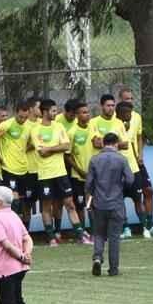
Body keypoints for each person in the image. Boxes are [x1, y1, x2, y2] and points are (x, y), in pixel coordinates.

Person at [29, 98, 77, 247]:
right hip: (45, 174)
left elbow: (67, 145)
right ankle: (50, 237)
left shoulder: (59, 127)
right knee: (46, 206)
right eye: (53, 111)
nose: (56, 113)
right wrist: (57, 147)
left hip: (60, 172)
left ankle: (80, 234)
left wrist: (50, 148)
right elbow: (41, 153)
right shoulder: (35, 130)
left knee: (70, 203)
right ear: (45, 112)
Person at [85, 132, 134, 276]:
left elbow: (88, 184)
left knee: (99, 233)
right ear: (116, 143)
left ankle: (98, 258)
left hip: (99, 203)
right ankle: (113, 268)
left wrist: (90, 200)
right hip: (116, 203)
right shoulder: (121, 159)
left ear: (103, 143)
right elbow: (130, 180)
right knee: (114, 237)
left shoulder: (94, 160)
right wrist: (121, 187)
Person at [114, 99, 153, 238]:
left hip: (133, 167)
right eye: (127, 112)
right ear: (119, 113)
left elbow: (135, 141)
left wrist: (138, 157)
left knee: (138, 198)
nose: (130, 115)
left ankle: (145, 227)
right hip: (117, 168)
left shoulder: (133, 122)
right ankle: (125, 228)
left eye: (131, 112)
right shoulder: (113, 125)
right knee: (119, 200)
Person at [0, 100, 36, 222]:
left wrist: (21, 150)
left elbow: (33, 143)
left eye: (25, 117)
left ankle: (24, 233)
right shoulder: (7, 125)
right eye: (20, 117)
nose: (22, 119)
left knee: (24, 202)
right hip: (8, 168)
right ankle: (12, 229)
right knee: (14, 201)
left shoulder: (29, 126)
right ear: (15, 113)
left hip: (23, 168)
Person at [62, 100, 95, 244]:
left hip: (93, 175)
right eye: (83, 112)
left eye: (88, 112)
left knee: (93, 205)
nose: (87, 115)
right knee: (80, 206)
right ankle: (82, 233)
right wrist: (80, 170)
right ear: (76, 115)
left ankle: (95, 232)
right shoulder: (72, 132)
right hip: (78, 176)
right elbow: (67, 155)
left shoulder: (93, 128)